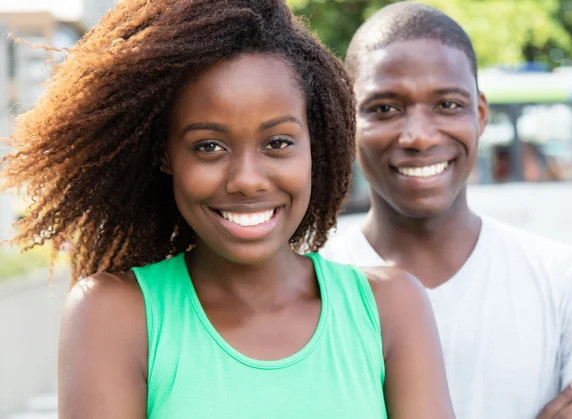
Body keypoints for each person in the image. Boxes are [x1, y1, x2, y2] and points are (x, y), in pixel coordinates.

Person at [0, 1, 456, 418]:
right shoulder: (115, 315)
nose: (247, 180)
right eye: (209, 146)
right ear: (166, 155)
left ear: (314, 145)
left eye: (278, 143)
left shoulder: (391, 309)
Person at [321, 3, 572, 419]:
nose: (418, 136)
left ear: (480, 115)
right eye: (384, 108)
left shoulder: (568, 282)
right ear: (349, 123)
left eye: (448, 105)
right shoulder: (310, 283)